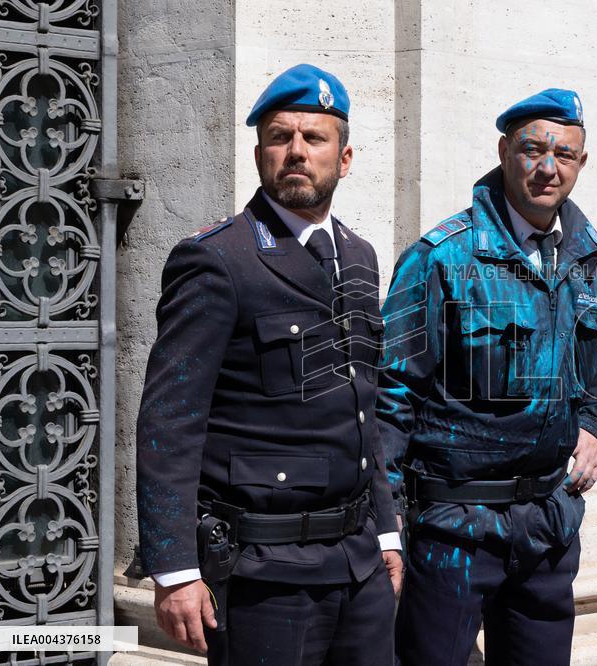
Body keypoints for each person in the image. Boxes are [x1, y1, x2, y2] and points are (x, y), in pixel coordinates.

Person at [135, 63, 402, 666]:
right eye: (281, 137)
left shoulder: (358, 256)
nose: (297, 152)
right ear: (260, 154)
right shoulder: (218, 260)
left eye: (314, 138)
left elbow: (365, 407)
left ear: (346, 156)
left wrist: (387, 532)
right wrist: (174, 569)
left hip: (359, 563)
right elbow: (169, 423)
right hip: (264, 576)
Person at [377, 88, 597, 665]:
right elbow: (390, 391)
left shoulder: (583, 255)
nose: (547, 167)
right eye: (532, 149)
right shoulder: (442, 257)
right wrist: (384, 522)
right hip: (452, 529)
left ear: (579, 164)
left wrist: (596, 424)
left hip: (547, 527)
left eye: (563, 155)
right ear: (504, 151)